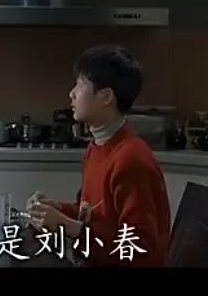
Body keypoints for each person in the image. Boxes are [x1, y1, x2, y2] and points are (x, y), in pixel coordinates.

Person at [27, 45, 171, 267]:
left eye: (80, 84)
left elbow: (139, 252)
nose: (72, 93)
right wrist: (56, 209)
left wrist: (67, 226)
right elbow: (90, 214)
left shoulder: (131, 160)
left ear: (105, 97)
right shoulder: (96, 147)